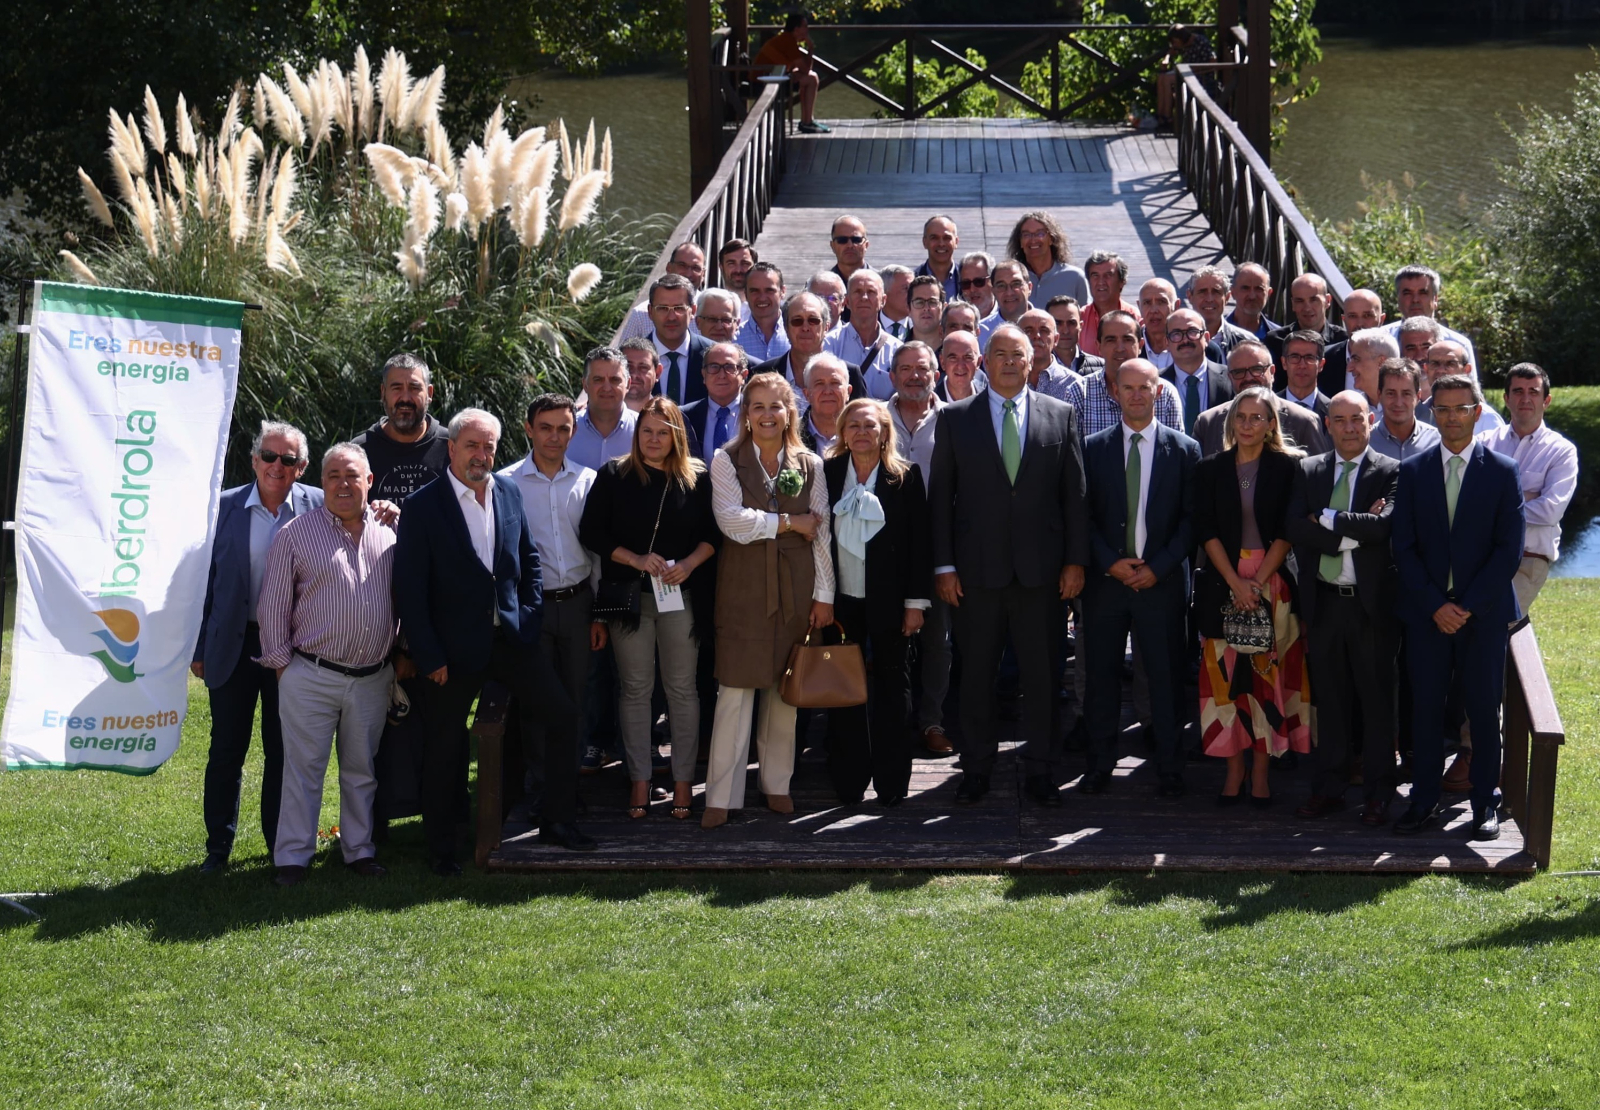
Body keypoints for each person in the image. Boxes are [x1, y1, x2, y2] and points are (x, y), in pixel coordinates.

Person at [395, 409, 595, 872]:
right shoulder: (423, 506)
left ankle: (557, 822)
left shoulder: (507, 491)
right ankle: (445, 847)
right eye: (472, 445)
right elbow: (409, 591)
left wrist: (527, 617)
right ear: (451, 448)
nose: (481, 455)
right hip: (450, 652)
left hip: (511, 640)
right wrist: (428, 655)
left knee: (563, 717)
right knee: (446, 746)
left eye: (488, 447)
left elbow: (528, 559)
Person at [930, 324, 1089, 807]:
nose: (1007, 362)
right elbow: (941, 500)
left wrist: (1075, 563)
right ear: (984, 361)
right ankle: (977, 768)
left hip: (1042, 575)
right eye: (997, 353)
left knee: (1042, 678)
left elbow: (1075, 498)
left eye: (1016, 354)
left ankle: (1041, 769)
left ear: (1031, 361)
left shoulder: (1060, 415)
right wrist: (944, 567)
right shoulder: (956, 418)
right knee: (976, 676)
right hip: (976, 575)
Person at [257, 442, 398, 885]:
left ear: (369, 481)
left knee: (362, 771)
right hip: (311, 674)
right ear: (322, 482)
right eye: (334, 475)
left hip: (373, 677)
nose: (343, 483)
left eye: (352, 475)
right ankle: (293, 859)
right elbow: (273, 606)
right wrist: (284, 668)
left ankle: (358, 850)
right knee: (303, 772)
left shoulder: (391, 532)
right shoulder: (296, 534)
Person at [1391, 375, 1525, 840]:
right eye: (1443, 409)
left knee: (1484, 711)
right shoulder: (1412, 471)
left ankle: (1485, 802)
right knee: (1425, 711)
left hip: (1482, 616)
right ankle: (1423, 800)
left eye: (1460, 408)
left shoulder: (1504, 472)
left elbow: (1508, 551)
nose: (1451, 417)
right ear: (1432, 412)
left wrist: (1465, 606)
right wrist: (1436, 606)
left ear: (1477, 411)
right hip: (1428, 616)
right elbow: (1402, 548)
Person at [703, 372, 835, 827]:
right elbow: (730, 521)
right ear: (745, 414)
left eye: (775, 406)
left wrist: (824, 594)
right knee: (735, 691)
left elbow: (821, 530)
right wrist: (786, 523)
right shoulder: (726, 459)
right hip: (742, 588)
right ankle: (722, 795)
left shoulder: (810, 462)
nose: (766, 415)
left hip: (797, 589)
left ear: (789, 413)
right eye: (757, 406)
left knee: (785, 694)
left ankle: (776, 784)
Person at [193, 421, 323, 874]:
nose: (277, 466)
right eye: (269, 456)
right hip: (232, 644)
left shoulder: (320, 507)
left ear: (301, 467)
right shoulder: (222, 508)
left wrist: (387, 508)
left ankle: (279, 846)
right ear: (254, 460)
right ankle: (217, 848)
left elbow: (363, 521)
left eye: (288, 460)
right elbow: (200, 584)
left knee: (283, 749)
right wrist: (198, 646)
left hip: (292, 647)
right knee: (227, 748)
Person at [580, 397, 719, 821]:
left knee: (682, 690)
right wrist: (636, 559)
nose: (653, 440)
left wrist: (690, 564)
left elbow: (714, 536)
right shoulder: (615, 474)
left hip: (681, 596)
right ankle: (639, 776)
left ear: (677, 436)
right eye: (646, 431)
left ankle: (682, 780)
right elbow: (591, 532)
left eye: (662, 432)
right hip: (629, 596)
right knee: (635, 689)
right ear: (636, 433)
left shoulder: (697, 477)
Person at [1079, 360, 1200, 798]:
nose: (1134, 395)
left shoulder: (1185, 449)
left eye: (1143, 388)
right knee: (1102, 679)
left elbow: (1192, 521)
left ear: (1158, 392)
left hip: (1161, 585)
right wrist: (1109, 562)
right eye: (1126, 388)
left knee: (1166, 679)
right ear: (1115, 392)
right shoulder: (1091, 448)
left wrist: (1158, 567)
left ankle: (1170, 767)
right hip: (1106, 585)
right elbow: (1081, 516)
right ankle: (1098, 766)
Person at [1285, 391, 1403, 824]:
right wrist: (1357, 528)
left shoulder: (1392, 471)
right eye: (1341, 420)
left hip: (1371, 609)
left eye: (1357, 419)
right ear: (1327, 424)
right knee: (1330, 704)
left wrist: (1328, 519)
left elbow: (1386, 526)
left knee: (1376, 704)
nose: (1350, 428)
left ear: (1370, 421)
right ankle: (1330, 789)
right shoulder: (1309, 470)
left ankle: (1377, 794)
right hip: (1325, 605)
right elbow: (1295, 525)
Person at [1193, 388, 1310, 806]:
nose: (1247, 424)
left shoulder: (1289, 469)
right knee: (1224, 682)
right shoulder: (1209, 469)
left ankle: (1261, 773)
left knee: (1266, 680)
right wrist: (1235, 583)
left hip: (1271, 583)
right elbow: (1205, 531)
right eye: (1240, 417)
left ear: (1271, 423)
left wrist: (1257, 582)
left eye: (1256, 417)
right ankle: (1233, 770)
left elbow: (1287, 531)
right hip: (1222, 582)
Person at [823, 398, 933, 804]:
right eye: (853, 425)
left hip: (891, 603)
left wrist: (915, 603)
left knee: (893, 693)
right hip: (840, 603)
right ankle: (849, 782)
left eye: (870, 425)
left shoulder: (905, 477)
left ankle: (891, 785)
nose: (862, 432)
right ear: (842, 432)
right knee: (843, 692)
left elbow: (919, 545)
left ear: (885, 432)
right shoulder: (828, 473)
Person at [499, 394, 602, 817]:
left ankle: (567, 785)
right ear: (528, 429)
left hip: (578, 603)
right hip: (531, 609)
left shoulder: (588, 480)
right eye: (546, 427)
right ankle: (541, 787)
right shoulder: (505, 483)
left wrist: (599, 613)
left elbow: (596, 552)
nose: (554, 437)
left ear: (573, 431)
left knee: (577, 699)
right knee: (537, 702)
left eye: (563, 428)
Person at [888, 343, 953, 755]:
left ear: (936, 373)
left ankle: (932, 721)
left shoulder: (955, 419)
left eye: (923, 368)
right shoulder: (873, 416)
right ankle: (892, 720)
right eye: (906, 369)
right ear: (892, 375)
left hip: (938, 545)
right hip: (885, 547)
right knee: (888, 637)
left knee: (937, 640)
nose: (915, 375)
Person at [1479, 362, 1577, 615]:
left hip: (1529, 557)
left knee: (1500, 620)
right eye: (1518, 391)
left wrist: (1497, 507)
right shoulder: (1483, 444)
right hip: (1481, 554)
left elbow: (1550, 511)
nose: (1525, 398)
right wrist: (1527, 496)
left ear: (1546, 400)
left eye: (1533, 392)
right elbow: (1468, 497)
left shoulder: (1561, 451)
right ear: (1506, 398)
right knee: (1473, 625)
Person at [1192, 341, 1328, 457]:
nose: (1249, 377)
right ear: (1229, 377)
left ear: (1272, 372)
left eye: (1257, 369)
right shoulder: (1208, 422)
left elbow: (1317, 478)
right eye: (1239, 372)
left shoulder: (1304, 421)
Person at [1063, 310, 1184, 438]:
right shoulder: (1079, 393)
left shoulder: (1165, 393)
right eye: (1111, 340)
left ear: (1140, 345)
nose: (1119, 348)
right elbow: (1074, 454)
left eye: (1127, 339)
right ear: (1098, 346)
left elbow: (1175, 452)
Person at [353, 352, 451, 505]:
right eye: (397, 388)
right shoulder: (359, 452)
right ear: (383, 392)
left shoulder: (453, 448)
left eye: (414, 388)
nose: (405, 398)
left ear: (429, 393)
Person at [756, 290, 869, 401]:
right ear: (786, 328)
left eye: (813, 320)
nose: (805, 328)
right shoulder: (761, 374)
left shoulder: (851, 375)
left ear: (826, 327)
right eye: (797, 321)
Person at [824, 268, 902, 398]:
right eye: (858, 292)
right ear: (847, 302)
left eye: (871, 292)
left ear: (883, 301)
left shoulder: (897, 350)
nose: (864, 298)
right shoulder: (829, 344)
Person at [753, 9, 829, 133]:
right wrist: (810, 48)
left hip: (771, 77)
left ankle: (807, 120)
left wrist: (809, 50)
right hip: (762, 82)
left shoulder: (787, 40)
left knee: (810, 77)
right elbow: (805, 69)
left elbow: (802, 69)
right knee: (811, 78)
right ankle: (807, 122)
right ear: (796, 29)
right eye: (805, 26)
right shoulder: (787, 41)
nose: (807, 29)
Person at [1160, 306, 1231, 437]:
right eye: (1176, 334)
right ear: (1166, 343)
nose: (1185, 340)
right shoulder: (1156, 384)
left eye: (1192, 332)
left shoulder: (1231, 377)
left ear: (1207, 338)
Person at [1388, 264, 1476, 369]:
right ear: (1398, 300)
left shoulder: (1459, 344)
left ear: (1435, 299)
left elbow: (1470, 384)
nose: (1415, 299)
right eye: (1408, 293)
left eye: (1423, 293)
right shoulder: (1380, 341)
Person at [568, 346, 640, 471]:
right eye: (598, 380)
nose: (606, 388)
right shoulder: (565, 431)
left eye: (614, 380)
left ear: (628, 384)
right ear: (585, 385)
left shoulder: (643, 430)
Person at [617, 242, 706, 342]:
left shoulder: (713, 312)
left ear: (703, 274)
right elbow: (622, 355)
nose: (689, 273)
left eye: (696, 268)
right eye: (682, 265)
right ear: (669, 268)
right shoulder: (641, 314)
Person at [648, 274, 713, 407]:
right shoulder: (629, 359)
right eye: (662, 308)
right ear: (650, 312)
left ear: (693, 310)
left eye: (679, 308)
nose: (671, 317)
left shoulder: (713, 355)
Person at [1266, 274, 1347, 379]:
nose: (1307, 308)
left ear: (1327, 301)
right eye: (1300, 301)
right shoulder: (1275, 341)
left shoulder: (1343, 341)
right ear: (1293, 304)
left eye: (1314, 300)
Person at [682, 341, 750, 462]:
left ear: (744, 375)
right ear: (704, 375)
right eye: (714, 367)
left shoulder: (756, 413)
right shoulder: (685, 416)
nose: (722, 375)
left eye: (729, 367)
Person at [1418, 341, 1504, 435]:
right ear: (1426, 369)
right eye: (1435, 364)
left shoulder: (1486, 418)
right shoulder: (1418, 414)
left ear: (1466, 370)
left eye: (1450, 364)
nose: (1441, 370)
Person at [1008, 210, 1089, 310]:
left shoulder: (1075, 277)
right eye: (1026, 235)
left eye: (1040, 234)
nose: (1033, 240)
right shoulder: (1011, 277)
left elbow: (1085, 319)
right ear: (1020, 242)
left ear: (1051, 239)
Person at [1369, 357, 1442, 462]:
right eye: (1391, 393)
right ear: (1379, 395)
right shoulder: (1366, 442)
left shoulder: (1437, 441)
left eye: (1406, 394)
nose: (1398, 403)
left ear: (1418, 396)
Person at [1318, 288, 1386, 397]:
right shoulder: (1324, 360)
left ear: (1381, 319)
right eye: (1353, 316)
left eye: (1367, 315)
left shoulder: (1396, 360)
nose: (1360, 323)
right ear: (1344, 320)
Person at [1186, 264, 1254, 360]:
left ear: (1227, 297)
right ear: (1189, 296)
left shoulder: (1247, 343)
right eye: (1202, 292)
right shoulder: (1174, 342)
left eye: (1216, 292)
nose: (1209, 299)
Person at [1080, 250, 1136, 357]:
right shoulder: (1080, 318)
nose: (1101, 282)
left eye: (1108, 275)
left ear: (1122, 282)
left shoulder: (1134, 317)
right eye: (1095, 275)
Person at [1156, 25, 1216, 123]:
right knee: (1161, 77)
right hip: (1185, 72)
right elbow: (1171, 51)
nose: (1174, 44)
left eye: (1175, 42)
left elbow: (1213, 61)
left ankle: (1167, 116)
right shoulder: (1182, 43)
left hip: (1200, 76)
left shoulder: (1201, 42)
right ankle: (1160, 114)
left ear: (1181, 38)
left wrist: (1198, 70)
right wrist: (1166, 59)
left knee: (1167, 79)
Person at [1018, 307, 1080, 402]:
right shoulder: (1006, 380)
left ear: (1056, 339)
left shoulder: (1075, 384)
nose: (1037, 336)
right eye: (1028, 331)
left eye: (1044, 331)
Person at [736, 261, 789, 363]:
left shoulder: (797, 335)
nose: (762, 297)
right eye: (755, 291)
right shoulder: (734, 338)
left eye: (769, 290)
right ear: (746, 293)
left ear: (782, 291)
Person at [800, 353, 853, 454]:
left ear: (848, 392)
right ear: (806, 394)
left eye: (835, 383)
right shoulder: (790, 435)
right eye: (819, 383)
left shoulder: (862, 434)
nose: (828, 391)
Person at [1277, 330, 1332, 420]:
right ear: (1284, 363)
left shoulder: (1333, 411)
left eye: (1309, 358)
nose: (1302, 365)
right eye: (1295, 357)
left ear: (1321, 364)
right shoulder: (1268, 407)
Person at [1047, 295, 1104, 377]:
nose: (1065, 331)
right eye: (1058, 324)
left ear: (1081, 326)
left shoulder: (1101, 368)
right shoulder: (1034, 369)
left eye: (1071, 323)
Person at [1343, 326, 1399, 407]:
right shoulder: (1353, 409)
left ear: (1381, 362)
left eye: (1356, 359)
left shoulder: (1410, 408)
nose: (1349, 368)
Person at [1226, 262, 1278, 339]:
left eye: (1259, 289)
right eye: (1245, 288)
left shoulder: (1280, 338)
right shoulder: (1215, 333)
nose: (1252, 296)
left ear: (1268, 293)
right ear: (1233, 292)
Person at [1137, 277, 1179, 369]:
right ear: (1139, 306)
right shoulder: (1129, 345)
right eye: (1147, 303)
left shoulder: (1194, 346)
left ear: (1176, 305)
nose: (1153, 310)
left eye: (1161, 302)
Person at [916, 214, 961, 300]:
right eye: (934, 238)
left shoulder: (969, 282)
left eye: (947, 238)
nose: (941, 244)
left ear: (956, 241)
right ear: (924, 242)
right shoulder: (912, 281)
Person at [937, 328, 984, 404]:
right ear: (942, 362)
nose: (960, 366)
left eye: (968, 358)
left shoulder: (989, 402)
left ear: (978, 362)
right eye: (953, 358)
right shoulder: (929, 403)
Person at [956, 251, 1000, 328]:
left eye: (979, 282)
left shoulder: (1006, 314)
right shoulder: (954, 319)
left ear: (992, 281)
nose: (972, 289)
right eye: (966, 283)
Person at [990, 259, 1037, 330]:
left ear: (1029, 287)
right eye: (1001, 286)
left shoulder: (1048, 325)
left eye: (1016, 284)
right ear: (993, 291)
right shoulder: (980, 332)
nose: (1009, 293)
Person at [619, 337, 661, 412]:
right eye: (628, 366)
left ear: (657, 372)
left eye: (643, 368)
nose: (634, 374)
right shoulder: (595, 416)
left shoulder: (670, 419)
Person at [906, 274, 946, 349]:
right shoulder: (896, 351)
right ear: (908, 309)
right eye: (919, 302)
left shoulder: (954, 352)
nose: (926, 308)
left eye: (932, 302)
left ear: (943, 307)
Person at [828, 214, 870, 284]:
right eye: (842, 240)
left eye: (856, 240)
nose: (849, 245)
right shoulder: (817, 286)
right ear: (832, 246)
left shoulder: (884, 284)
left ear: (866, 245)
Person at [880, 264, 915, 340]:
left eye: (913, 288)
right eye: (905, 288)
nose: (913, 294)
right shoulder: (866, 327)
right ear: (885, 292)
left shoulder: (921, 327)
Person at [718, 239, 756, 306]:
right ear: (721, 267)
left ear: (755, 266)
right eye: (731, 264)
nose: (738, 270)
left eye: (745, 263)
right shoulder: (709, 307)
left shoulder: (767, 306)